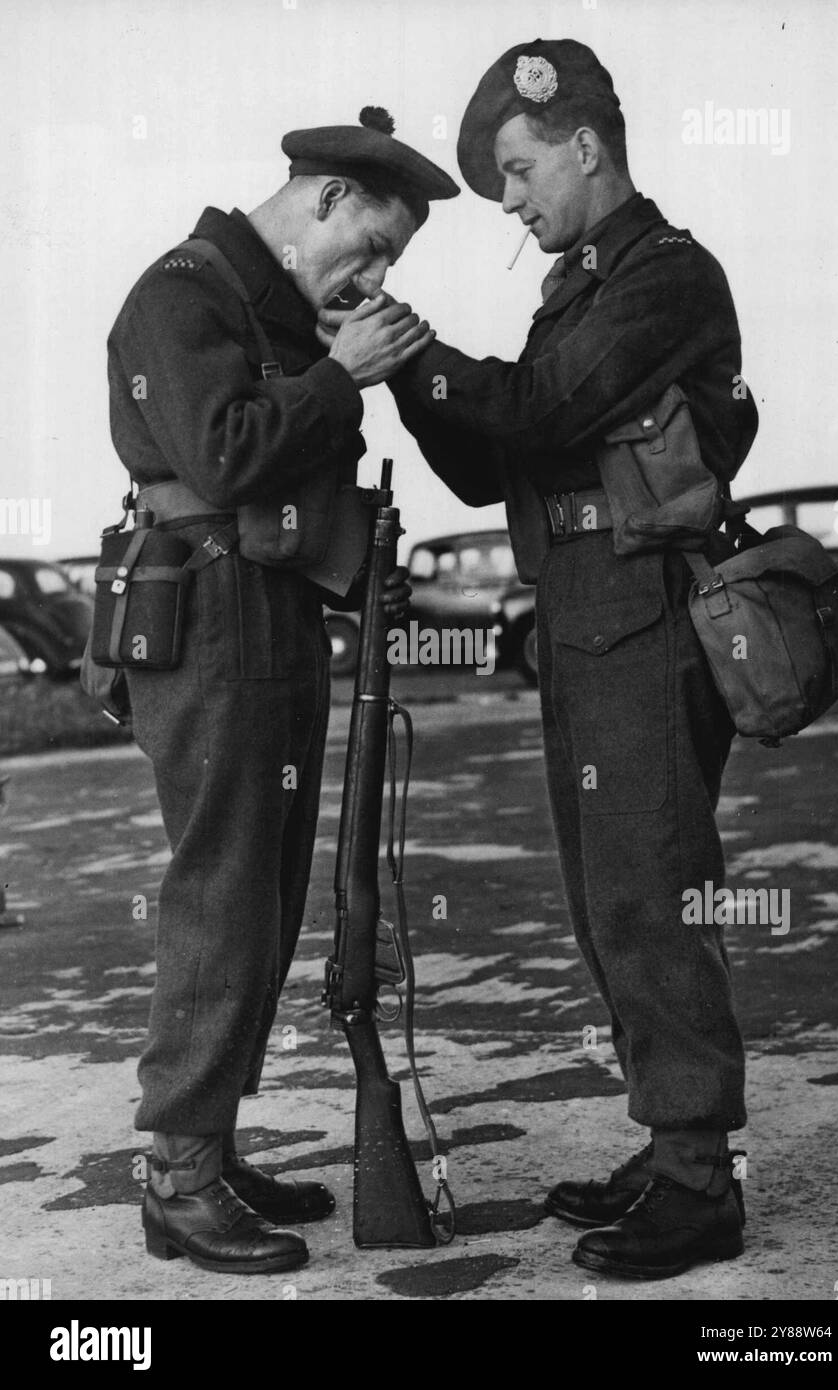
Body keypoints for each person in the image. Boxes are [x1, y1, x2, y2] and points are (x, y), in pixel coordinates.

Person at [319, 41, 759, 1280]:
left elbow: (536, 411)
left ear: (583, 144)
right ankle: (668, 1144)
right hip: (581, 617)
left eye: (517, 172)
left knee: (651, 890)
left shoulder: (664, 275)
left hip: (641, 616)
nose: (510, 201)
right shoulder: (579, 286)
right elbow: (493, 456)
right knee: (604, 896)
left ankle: (697, 1182)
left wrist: (419, 355)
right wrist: (409, 373)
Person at [106, 107, 458, 1274]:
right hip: (205, 620)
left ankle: (211, 1141)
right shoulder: (182, 292)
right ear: (321, 204)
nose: (376, 273)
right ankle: (180, 1175)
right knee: (219, 890)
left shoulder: (267, 312)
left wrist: (360, 560)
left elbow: (291, 485)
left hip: (274, 614)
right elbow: (221, 457)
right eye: (374, 246)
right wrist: (337, 373)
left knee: (259, 894)